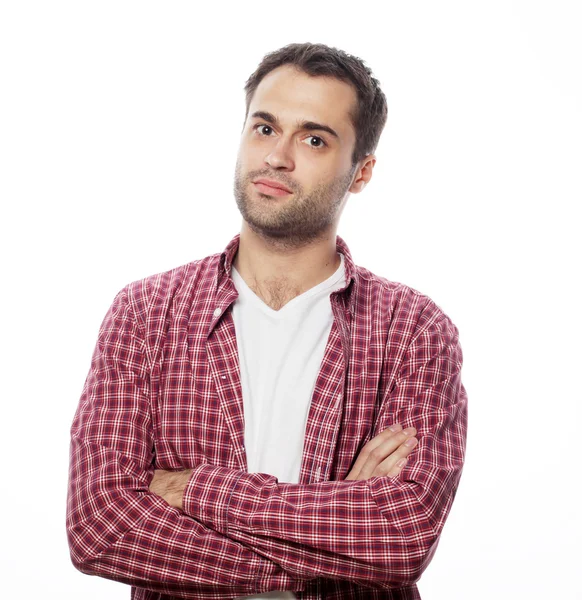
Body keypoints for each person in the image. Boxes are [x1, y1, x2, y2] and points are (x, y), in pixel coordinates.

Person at [66, 42, 468, 600]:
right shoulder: (145, 314)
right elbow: (100, 529)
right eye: (263, 128)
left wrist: (200, 492)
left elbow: (401, 536)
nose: (277, 157)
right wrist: (335, 531)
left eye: (313, 139)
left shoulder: (414, 330)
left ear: (362, 171)